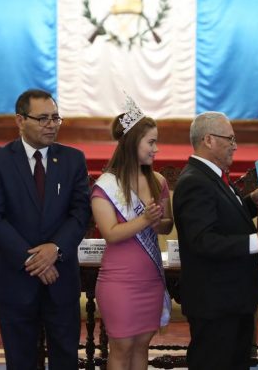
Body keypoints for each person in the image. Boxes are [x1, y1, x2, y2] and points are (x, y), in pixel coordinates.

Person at [0, 89, 91, 369]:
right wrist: (34, 260)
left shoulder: (73, 159)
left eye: (55, 118)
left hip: (61, 279)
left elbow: (80, 213)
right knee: (20, 361)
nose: (51, 125)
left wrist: (55, 249)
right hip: (17, 280)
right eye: (43, 119)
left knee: (65, 359)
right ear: (20, 120)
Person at [172, 111, 258, 369]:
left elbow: (220, 217)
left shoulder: (211, 175)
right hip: (215, 302)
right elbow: (202, 240)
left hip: (231, 299)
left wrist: (249, 204)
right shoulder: (195, 181)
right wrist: (257, 242)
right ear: (209, 140)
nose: (235, 146)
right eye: (230, 139)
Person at [91, 97, 174, 370]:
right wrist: (145, 219)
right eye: (151, 142)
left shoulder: (158, 180)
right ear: (132, 143)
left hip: (151, 279)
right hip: (120, 281)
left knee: (141, 346)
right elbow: (111, 234)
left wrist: (158, 222)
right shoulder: (106, 185)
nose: (156, 149)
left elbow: (167, 225)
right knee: (122, 347)